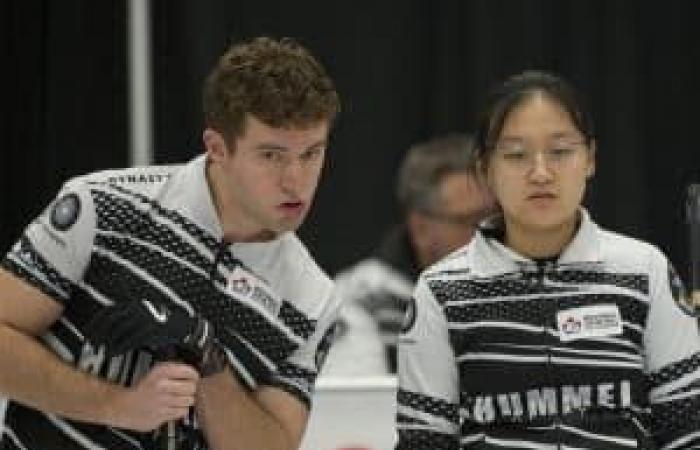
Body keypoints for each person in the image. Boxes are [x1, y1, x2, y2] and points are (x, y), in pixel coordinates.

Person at [0, 36, 341, 450]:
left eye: (312, 154)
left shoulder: (313, 298)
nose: (296, 180)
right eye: (271, 155)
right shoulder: (105, 206)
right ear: (217, 147)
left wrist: (207, 356)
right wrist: (117, 406)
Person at [395, 70, 700, 449]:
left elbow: (687, 430)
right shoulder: (441, 292)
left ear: (590, 159)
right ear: (486, 169)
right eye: (517, 155)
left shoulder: (644, 271)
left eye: (560, 151)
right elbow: (424, 442)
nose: (541, 173)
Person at [321, 134, 495, 376]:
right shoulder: (360, 303)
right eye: (470, 221)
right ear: (421, 229)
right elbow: (357, 409)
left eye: (495, 216)